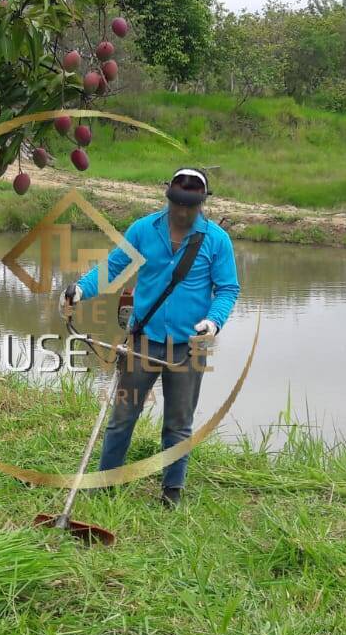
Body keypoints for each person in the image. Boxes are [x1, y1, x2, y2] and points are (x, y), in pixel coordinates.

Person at [61, 167, 240, 508]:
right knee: (122, 416)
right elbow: (114, 267)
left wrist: (213, 323)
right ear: (167, 196)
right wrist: (81, 288)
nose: (183, 211)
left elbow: (228, 289)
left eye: (190, 205)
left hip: (189, 347)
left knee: (178, 423)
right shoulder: (144, 230)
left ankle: (171, 492)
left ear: (203, 203)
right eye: (177, 203)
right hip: (143, 340)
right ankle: (105, 484)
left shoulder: (216, 240)